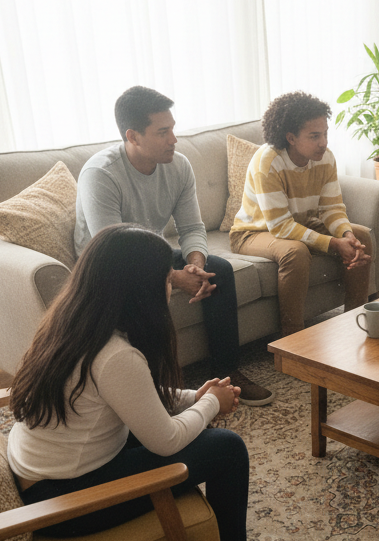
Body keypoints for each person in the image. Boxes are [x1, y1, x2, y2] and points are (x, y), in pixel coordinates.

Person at [8, 224, 300, 541]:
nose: (170, 288)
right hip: (68, 503)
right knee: (226, 449)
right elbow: (166, 441)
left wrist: (195, 396)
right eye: (165, 279)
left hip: (47, 479)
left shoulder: (71, 323)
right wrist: (212, 404)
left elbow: (130, 397)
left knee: (187, 429)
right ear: (138, 291)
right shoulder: (115, 355)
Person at [75, 85, 273, 406]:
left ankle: (226, 374)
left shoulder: (178, 166)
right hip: (106, 264)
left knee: (218, 270)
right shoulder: (101, 175)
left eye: (173, 129)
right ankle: (154, 395)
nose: (174, 140)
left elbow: (192, 227)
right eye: (163, 132)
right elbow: (115, 250)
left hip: (149, 252)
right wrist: (174, 277)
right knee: (142, 292)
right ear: (133, 136)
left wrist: (195, 264)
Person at [229, 91, 373, 337]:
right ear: (291, 138)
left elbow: (332, 209)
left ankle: (354, 323)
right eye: (315, 136)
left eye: (325, 133)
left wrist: (347, 235)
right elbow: (280, 227)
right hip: (253, 233)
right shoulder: (268, 161)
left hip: (300, 224)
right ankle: (293, 340)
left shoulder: (325, 158)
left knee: (362, 236)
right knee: (295, 252)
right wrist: (334, 244)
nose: (324, 142)